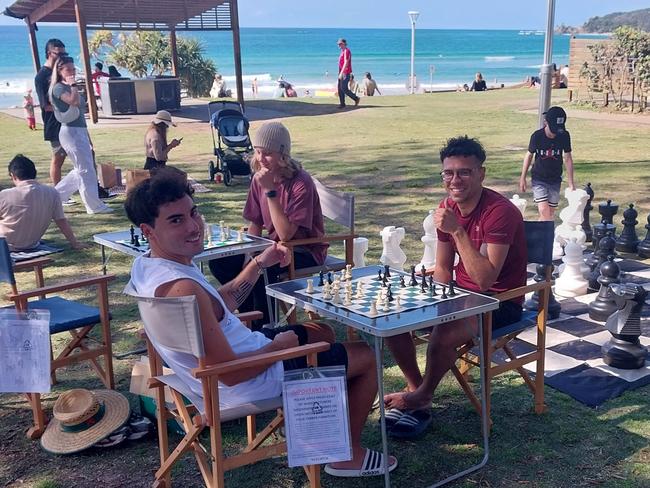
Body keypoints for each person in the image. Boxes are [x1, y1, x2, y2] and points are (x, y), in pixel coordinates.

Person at [124, 167, 397, 478]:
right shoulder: (182, 289)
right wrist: (277, 347)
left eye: (193, 213)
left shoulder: (149, 266)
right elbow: (228, 374)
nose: (193, 226)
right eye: (176, 220)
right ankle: (347, 455)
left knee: (322, 331)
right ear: (148, 230)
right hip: (248, 381)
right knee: (367, 356)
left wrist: (258, 263)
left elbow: (218, 306)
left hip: (239, 362)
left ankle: (315, 421)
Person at [383, 136, 527, 438]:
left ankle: (420, 397)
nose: (455, 179)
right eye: (448, 173)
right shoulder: (447, 206)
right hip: (460, 296)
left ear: (481, 174)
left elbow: (485, 279)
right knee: (393, 320)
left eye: (464, 172)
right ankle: (417, 392)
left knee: (444, 333)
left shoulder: (500, 212)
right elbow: (444, 268)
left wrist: (458, 231)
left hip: (500, 302)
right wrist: (436, 305)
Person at [209, 122, 327, 329]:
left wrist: (271, 192)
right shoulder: (259, 178)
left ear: (283, 155)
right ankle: (251, 315)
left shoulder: (301, 182)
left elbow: (286, 234)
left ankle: (264, 326)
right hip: (273, 246)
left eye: (267, 154)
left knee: (264, 267)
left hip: (304, 248)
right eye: (257, 152)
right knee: (221, 261)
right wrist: (248, 253)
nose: (261, 159)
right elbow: (255, 221)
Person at [49, 55, 112, 214]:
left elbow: (79, 112)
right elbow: (74, 101)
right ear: (60, 70)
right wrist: (73, 85)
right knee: (86, 170)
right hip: (70, 131)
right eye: (68, 69)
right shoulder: (59, 88)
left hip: (78, 129)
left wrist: (87, 135)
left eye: (73, 69)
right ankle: (93, 205)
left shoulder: (66, 86)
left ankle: (55, 197)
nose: (72, 72)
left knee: (81, 169)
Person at [0, 154, 86, 251]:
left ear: (13, 176)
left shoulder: (4, 195)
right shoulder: (52, 193)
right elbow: (61, 221)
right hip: (31, 244)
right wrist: (74, 243)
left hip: (5, 246)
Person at [519, 106, 575, 221]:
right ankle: (545, 236)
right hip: (539, 178)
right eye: (553, 129)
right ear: (546, 123)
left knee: (549, 213)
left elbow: (568, 158)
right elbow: (529, 155)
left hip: (555, 179)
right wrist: (523, 177)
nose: (555, 134)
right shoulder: (537, 136)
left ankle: (541, 235)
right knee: (544, 210)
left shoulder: (564, 135)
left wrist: (571, 183)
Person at [34, 38, 67, 185]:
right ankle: (58, 190)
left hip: (70, 122)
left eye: (64, 54)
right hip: (54, 123)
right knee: (58, 157)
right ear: (49, 53)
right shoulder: (41, 76)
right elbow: (45, 105)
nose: (62, 58)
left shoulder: (60, 72)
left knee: (87, 152)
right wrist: (66, 108)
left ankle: (92, 187)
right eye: (59, 54)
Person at [336, 38, 360, 109]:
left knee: (343, 88)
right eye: (338, 44)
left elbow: (346, 62)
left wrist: (342, 73)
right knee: (339, 88)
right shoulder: (342, 51)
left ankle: (356, 98)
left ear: (344, 44)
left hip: (345, 72)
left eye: (340, 44)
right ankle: (342, 104)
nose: (339, 45)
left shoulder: (346, 51)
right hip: (341, 71)